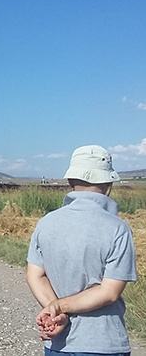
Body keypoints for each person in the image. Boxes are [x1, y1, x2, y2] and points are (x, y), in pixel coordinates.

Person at [26, 145, 137, 356]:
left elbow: (35, 275)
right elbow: (109, 292)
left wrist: (56, 309)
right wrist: (58, 308)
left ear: (70, 181)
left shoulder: (45, 223)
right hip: (104, 343)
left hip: (58, 344)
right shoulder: (118, 228)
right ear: (109, 182)